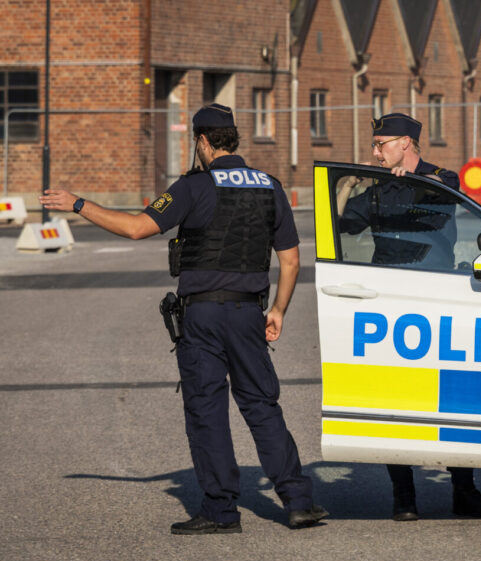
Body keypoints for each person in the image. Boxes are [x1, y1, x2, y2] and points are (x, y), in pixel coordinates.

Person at [40, 103, 327, 534]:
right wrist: (278, 311)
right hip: (249, 312)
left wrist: (79, 203)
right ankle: (298, 501)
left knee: (207, 409)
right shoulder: (270, 186)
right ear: (234, 139)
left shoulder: (194, 186)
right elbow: (290, 262)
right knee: (261, 404)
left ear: (202, 142)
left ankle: (220, 511)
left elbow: (137, 227)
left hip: (204, 316)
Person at [336, 112, 481, 521]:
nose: (375, 152)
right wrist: (347, 188)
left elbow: (448, 191)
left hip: (436, 296)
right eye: (374, 145)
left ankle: (464, 490)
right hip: (390, 301)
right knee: (396, 400)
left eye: (382, 144)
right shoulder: (376, 190)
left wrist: (403, 179)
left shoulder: (438, 178)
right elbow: (342, 224)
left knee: (454, 397)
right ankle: (403, 495)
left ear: (406, 144)